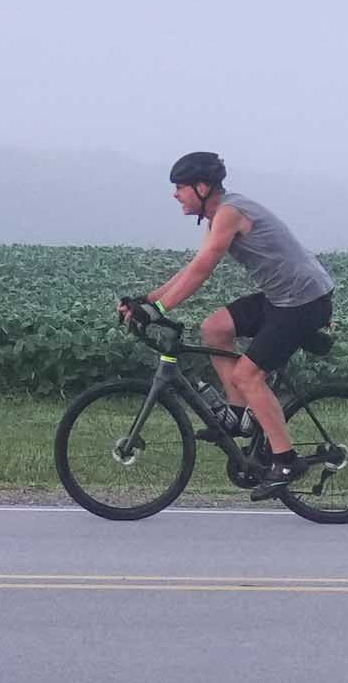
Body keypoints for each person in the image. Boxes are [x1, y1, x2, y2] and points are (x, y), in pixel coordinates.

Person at [133, 150, 335, 490]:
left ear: (201, 187)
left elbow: (202, 270)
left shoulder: (229, 213)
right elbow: (192, 266)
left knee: (248, 374)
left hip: (304, 301)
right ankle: (240, 415)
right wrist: (148, 300)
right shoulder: (219, 217)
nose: (175, 194)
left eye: (180, 187)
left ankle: (286, 460)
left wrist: (160, 310)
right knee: (215, 328)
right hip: (280, 298)